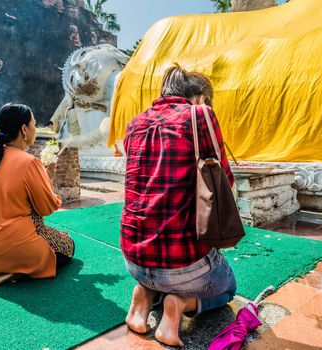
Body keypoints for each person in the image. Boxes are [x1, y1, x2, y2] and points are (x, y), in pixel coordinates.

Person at [121, 65, 237, 347]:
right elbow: (226, 181)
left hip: (134, 260)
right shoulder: (200, 116)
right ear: (199, 98)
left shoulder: (135, 123)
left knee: (156, 273)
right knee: (229, 287)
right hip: (184, 266)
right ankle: (179, 304)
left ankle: (145, 296)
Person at [0, 103, 75, 289]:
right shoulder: (30, 162)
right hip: (9, 247)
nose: (35, 129)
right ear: (24, 129)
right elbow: (47, 207)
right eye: (34, 124)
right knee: (69, 245)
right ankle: (14, 270)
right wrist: (48, 181)